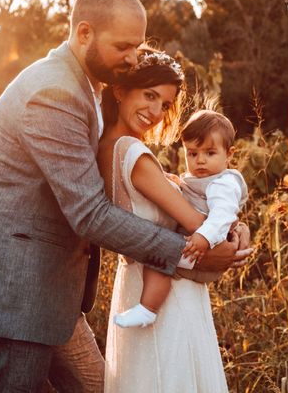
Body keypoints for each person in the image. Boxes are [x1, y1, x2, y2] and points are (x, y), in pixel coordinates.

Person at [0, 0, 251, 392]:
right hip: (16, 293)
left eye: (137, 46)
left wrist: (224, 224)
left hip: (56, 296)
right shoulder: (54, 93)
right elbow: (90, 213)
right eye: (123, 46)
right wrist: (190, 255)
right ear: (84, 33)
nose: (132, 57)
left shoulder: (90, 86)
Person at [98, 50, 230, 392]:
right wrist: (232, 226)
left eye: (166, 104)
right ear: (119, 90)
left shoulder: (105, 147)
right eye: (149, 95)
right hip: (170, 297)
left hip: (138, 286)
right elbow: (195, 221)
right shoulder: (133, 154)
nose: (156, 112)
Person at [114, 108, 247, 328]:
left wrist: (203, 237)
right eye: (192, 154)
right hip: (196, 247)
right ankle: (147, 309)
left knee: (161, 260)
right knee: (161, 258)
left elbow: (222, 215)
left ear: (230, 154)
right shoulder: (202, 178)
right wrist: (174, 182)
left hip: (207, 250)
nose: (200, 161)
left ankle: (148, 309)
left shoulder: (224, 183)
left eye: (210, 153)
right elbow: (189, 194)